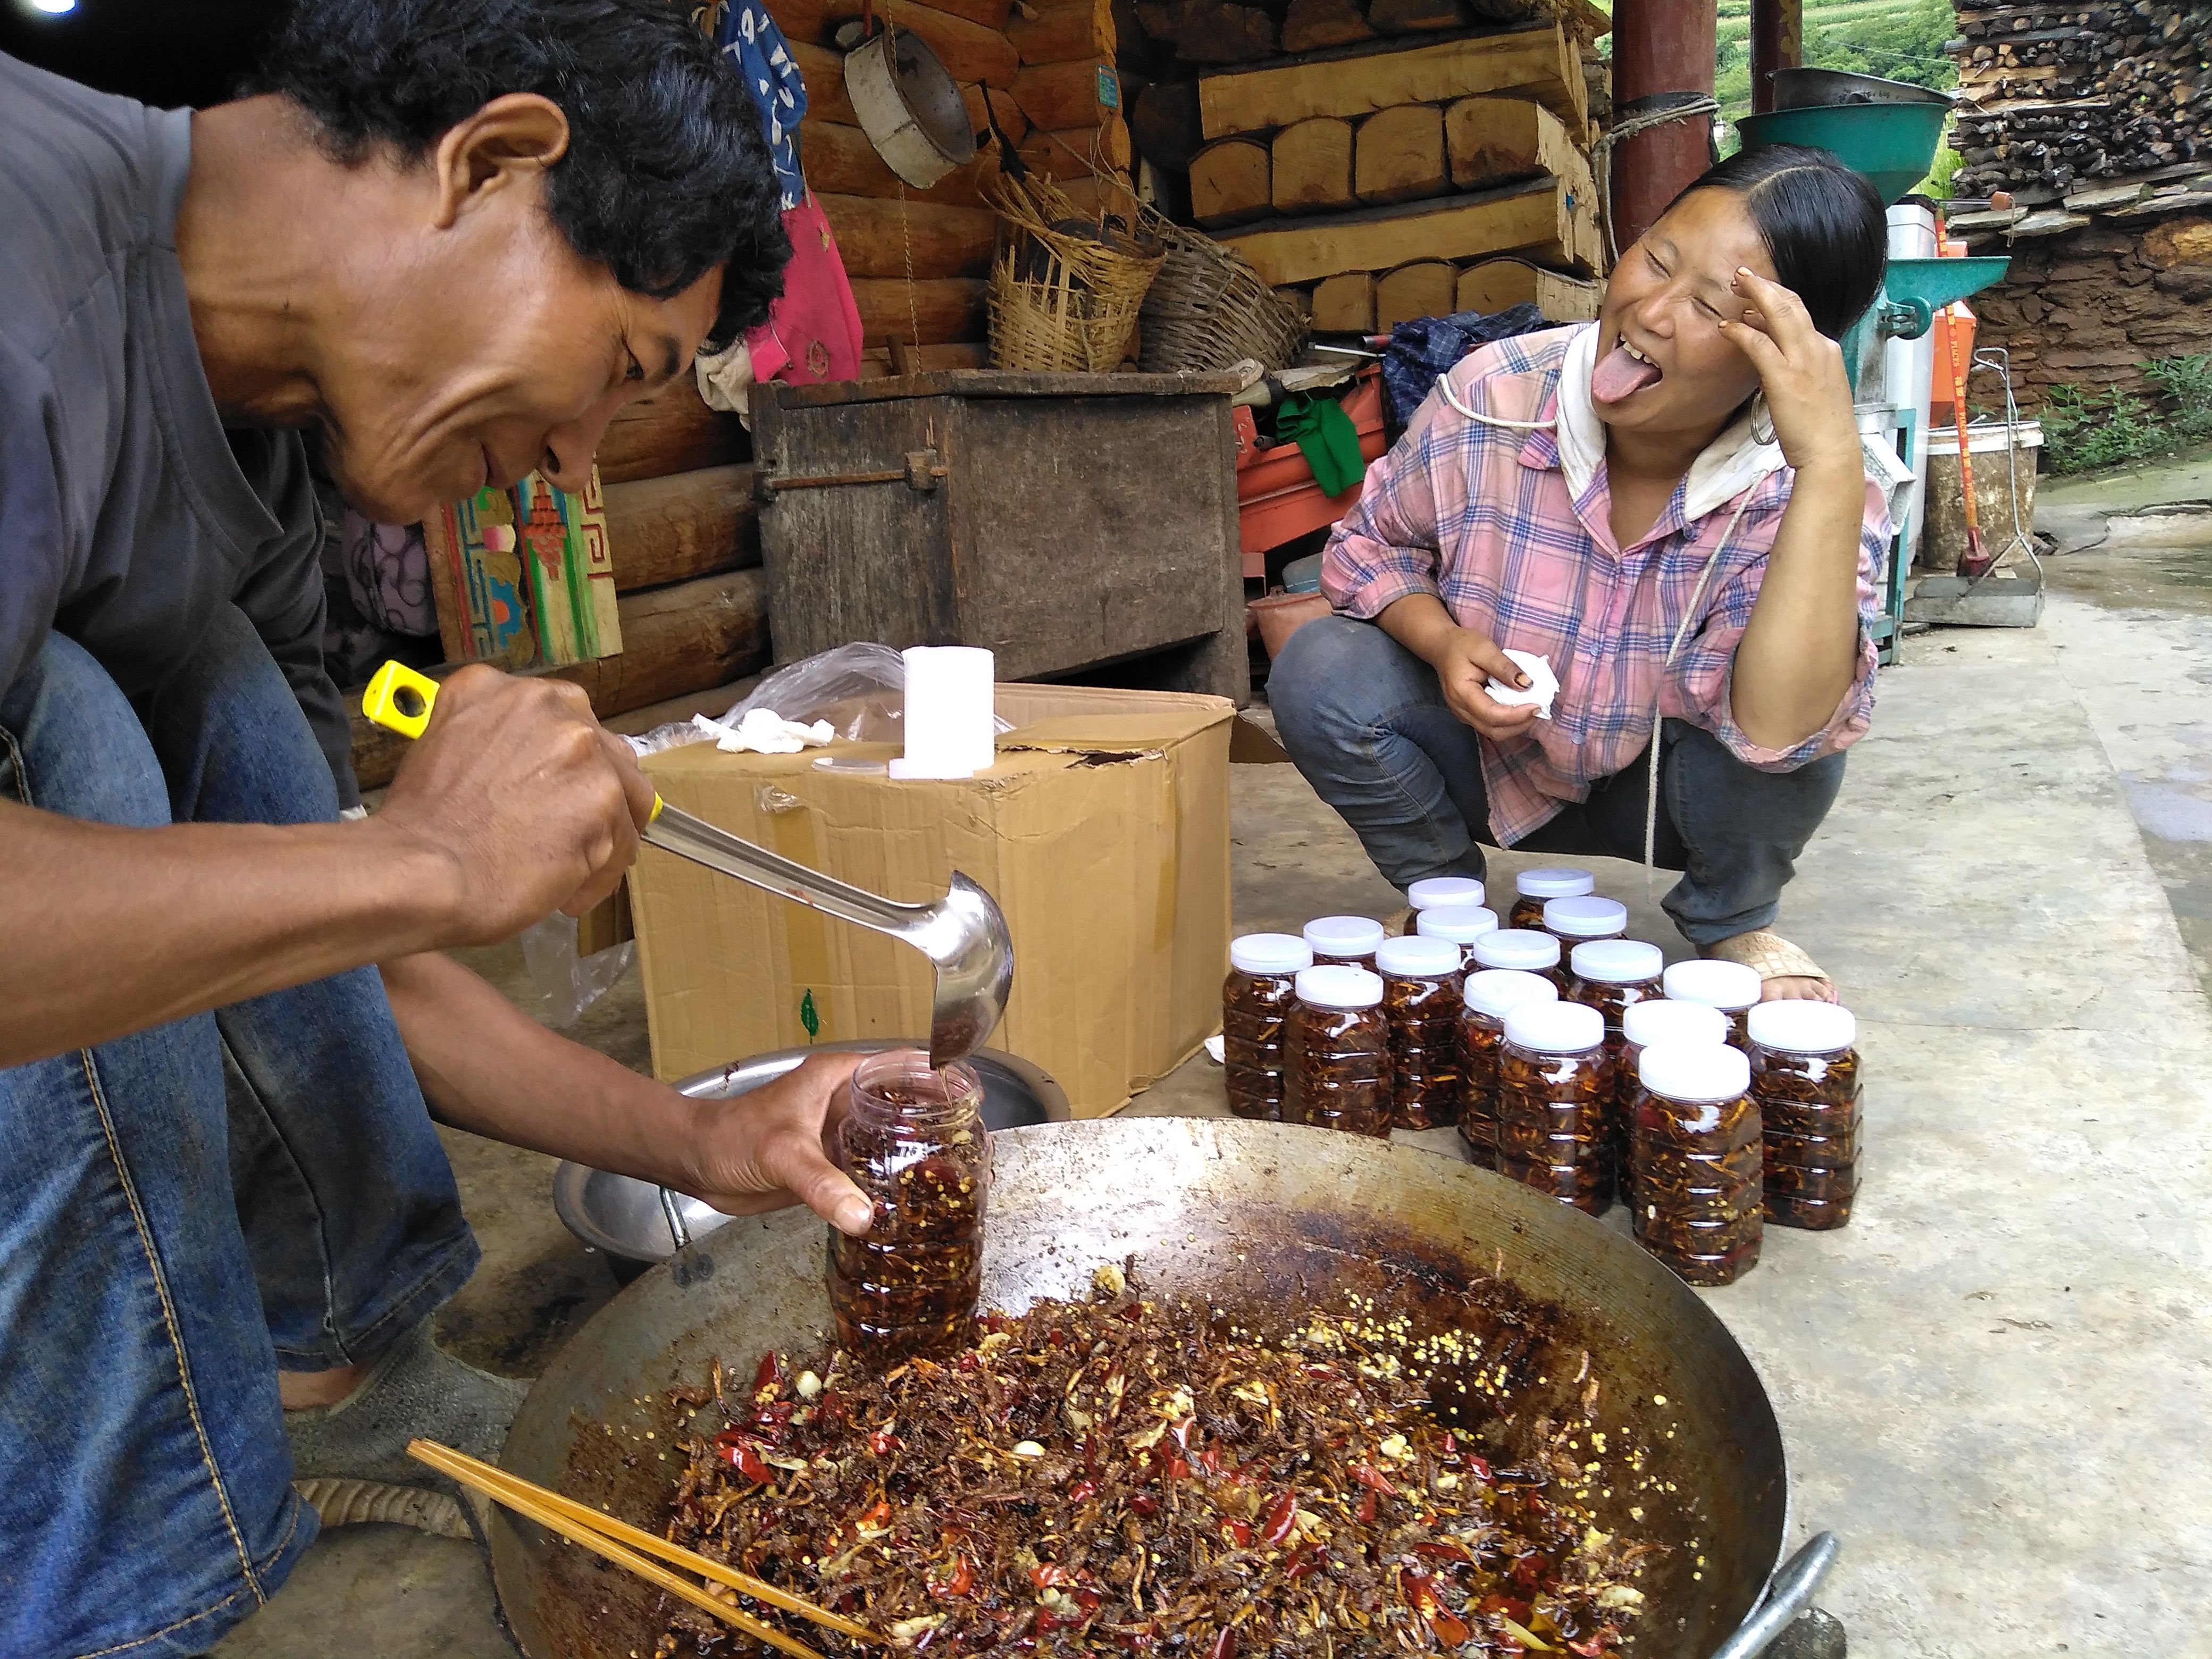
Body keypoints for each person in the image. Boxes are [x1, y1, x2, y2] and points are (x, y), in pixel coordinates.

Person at [0, 2, 871, 1651]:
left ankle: (342, 1368)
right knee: (67, 730)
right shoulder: (21, 257)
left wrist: (707, 1145)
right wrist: (427, 856)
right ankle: (101, 1600)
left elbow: (336, 946)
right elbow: (384, 888)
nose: (567, 459)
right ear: (494, 163)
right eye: (619, 371)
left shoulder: (261, 473)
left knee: (221, 705)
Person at [1270, 145, 1892, 1003]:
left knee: (1817, 714)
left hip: (1671, 794)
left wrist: (1825, 462)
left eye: (1713, 306)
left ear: (1788, 356)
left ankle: (1733, 918)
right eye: (1656, 259)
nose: (1652, 310)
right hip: (1493, 755)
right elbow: (1367, 549)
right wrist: (1446, 641)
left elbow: (1783, 728)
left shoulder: (1810, 478)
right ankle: (1445, 899)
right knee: (1322, 668)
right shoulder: (1496, 393)